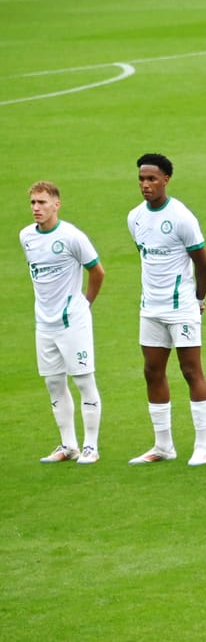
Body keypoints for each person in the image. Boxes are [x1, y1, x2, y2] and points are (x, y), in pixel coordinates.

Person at [127, 153, 206, 466]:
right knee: (152, 371)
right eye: (141, 179)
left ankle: (202, 445)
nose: (146, 185)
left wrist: (199, 299)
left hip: (182, 308)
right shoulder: (134, 217)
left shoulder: (181, 217)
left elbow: (203, 264)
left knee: (191, 371)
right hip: (150, 308)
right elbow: (145, 256)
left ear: (166, 179)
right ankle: (163, 445)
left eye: (152, 179)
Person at [21, 181, 105, 465]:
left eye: (42, 203)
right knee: (54, 383)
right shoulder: (26, 237)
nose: (36, 208)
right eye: (33, 202)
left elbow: (97, 271)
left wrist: (85, 303)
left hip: (73, 323)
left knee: (83, 381)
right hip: (44, 325)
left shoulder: (71, 236)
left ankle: (91, 446)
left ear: (56, 204)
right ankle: (68, 445)